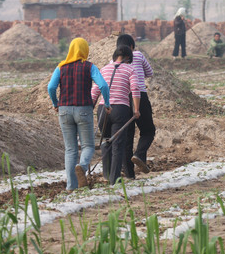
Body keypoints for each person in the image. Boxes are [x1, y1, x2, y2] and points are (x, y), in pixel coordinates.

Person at [48, 37, 111, 190]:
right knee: (88, 145)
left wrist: (56, 104)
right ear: (85, 51)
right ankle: (82, 168)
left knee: (70, 149)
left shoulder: (61, 67)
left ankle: (71, 187)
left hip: (64, 110)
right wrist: (107, 104)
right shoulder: (89, 67)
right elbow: (103, 85)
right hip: (84, 110)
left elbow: (51, 87)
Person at [91, 45, 141, 184]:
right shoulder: (130, 69)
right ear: (127, 57)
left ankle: (106, 175)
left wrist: (90, 107)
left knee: (106, 141)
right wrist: (136, 109)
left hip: (103, 109)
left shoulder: (104, 69)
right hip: (121, 109)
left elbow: (95, 90)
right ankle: (115, 179)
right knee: (117, 145)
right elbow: (135, 89)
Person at [116, 34, 155, 175]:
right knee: (148, 130)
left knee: (128, 136)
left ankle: (129, 173)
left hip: (123, 98)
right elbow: (149, 72)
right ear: (132, 46)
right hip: (140, 96)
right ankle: (139, 154)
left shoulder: (114, 61)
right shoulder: (137, 55)